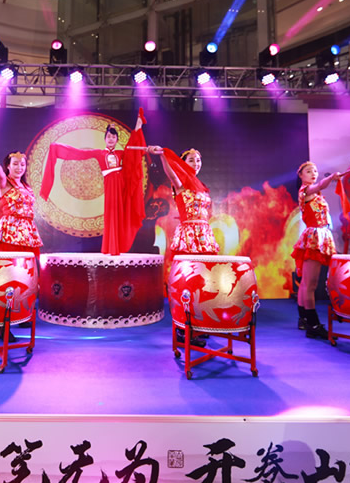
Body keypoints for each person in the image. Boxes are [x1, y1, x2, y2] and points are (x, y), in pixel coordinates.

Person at [40, 111, 148, 255]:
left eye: (113, 137)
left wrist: (138, 127)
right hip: (110, 184)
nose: (111, 139)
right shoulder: (99, 153)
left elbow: (133, 152)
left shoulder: (121, 153)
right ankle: (111, 247)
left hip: (121, 184)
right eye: (108, 137)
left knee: (121, 214)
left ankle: (120, 245)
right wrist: (57, 148)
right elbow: (79, 153)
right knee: (111, 213)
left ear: (117, 139)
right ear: (105, 139)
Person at [149, 146, 219, 348]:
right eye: (191, 160)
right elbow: (170, 172)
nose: (196, 163)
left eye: (198, 160)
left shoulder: (201, 186)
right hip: (189, 236)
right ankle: (183, 327)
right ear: (182, 163)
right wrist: (163, 156)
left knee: (202, 282)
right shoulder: (179, 183)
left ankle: (197, 324)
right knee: (187, 282)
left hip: (204, 236)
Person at [0, 150, 43, 342]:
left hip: (27, 233)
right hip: (10, 233)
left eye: (22, 164)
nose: (19, 167)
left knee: (24, 277)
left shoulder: (26, 186)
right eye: (15, 164)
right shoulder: (5, 183)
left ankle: (19, 314)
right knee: (6, 277)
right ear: (8, 166)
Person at [291, 162, 340, 340]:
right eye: (309, 171)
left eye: (315, 171)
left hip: (318, 235)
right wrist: (331, 178)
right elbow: (320, 185)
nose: (313, 173)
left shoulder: (314, 194)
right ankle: (313, 325)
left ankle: (304, 318)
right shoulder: (306, 191)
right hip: (314, 238)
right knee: (310, 284)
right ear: (301, 175)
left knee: (306, 282)